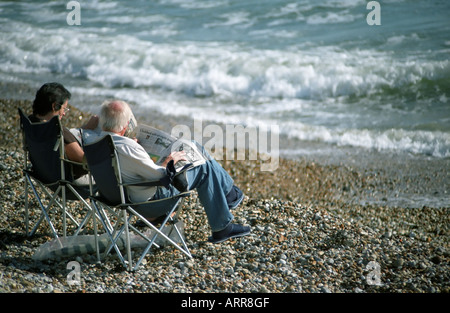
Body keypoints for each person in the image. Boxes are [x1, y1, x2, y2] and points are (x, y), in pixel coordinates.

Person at [85, 99, 250, 244]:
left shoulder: (92, 140)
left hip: (122, 197)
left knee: (193, 145)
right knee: (204, 167)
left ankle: (229, 194)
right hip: (150, 205)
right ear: (126, 125)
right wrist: (168, 161)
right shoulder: (127, 148)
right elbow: (160, 175)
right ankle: (222, 224)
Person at [30, 82, 99, 183]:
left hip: (42, 174)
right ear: (54, 106)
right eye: (64, 108)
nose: (64, 113)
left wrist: (86, 128)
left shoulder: (31, 122)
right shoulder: (58, 131)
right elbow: (85, 160)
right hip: (68, 181)